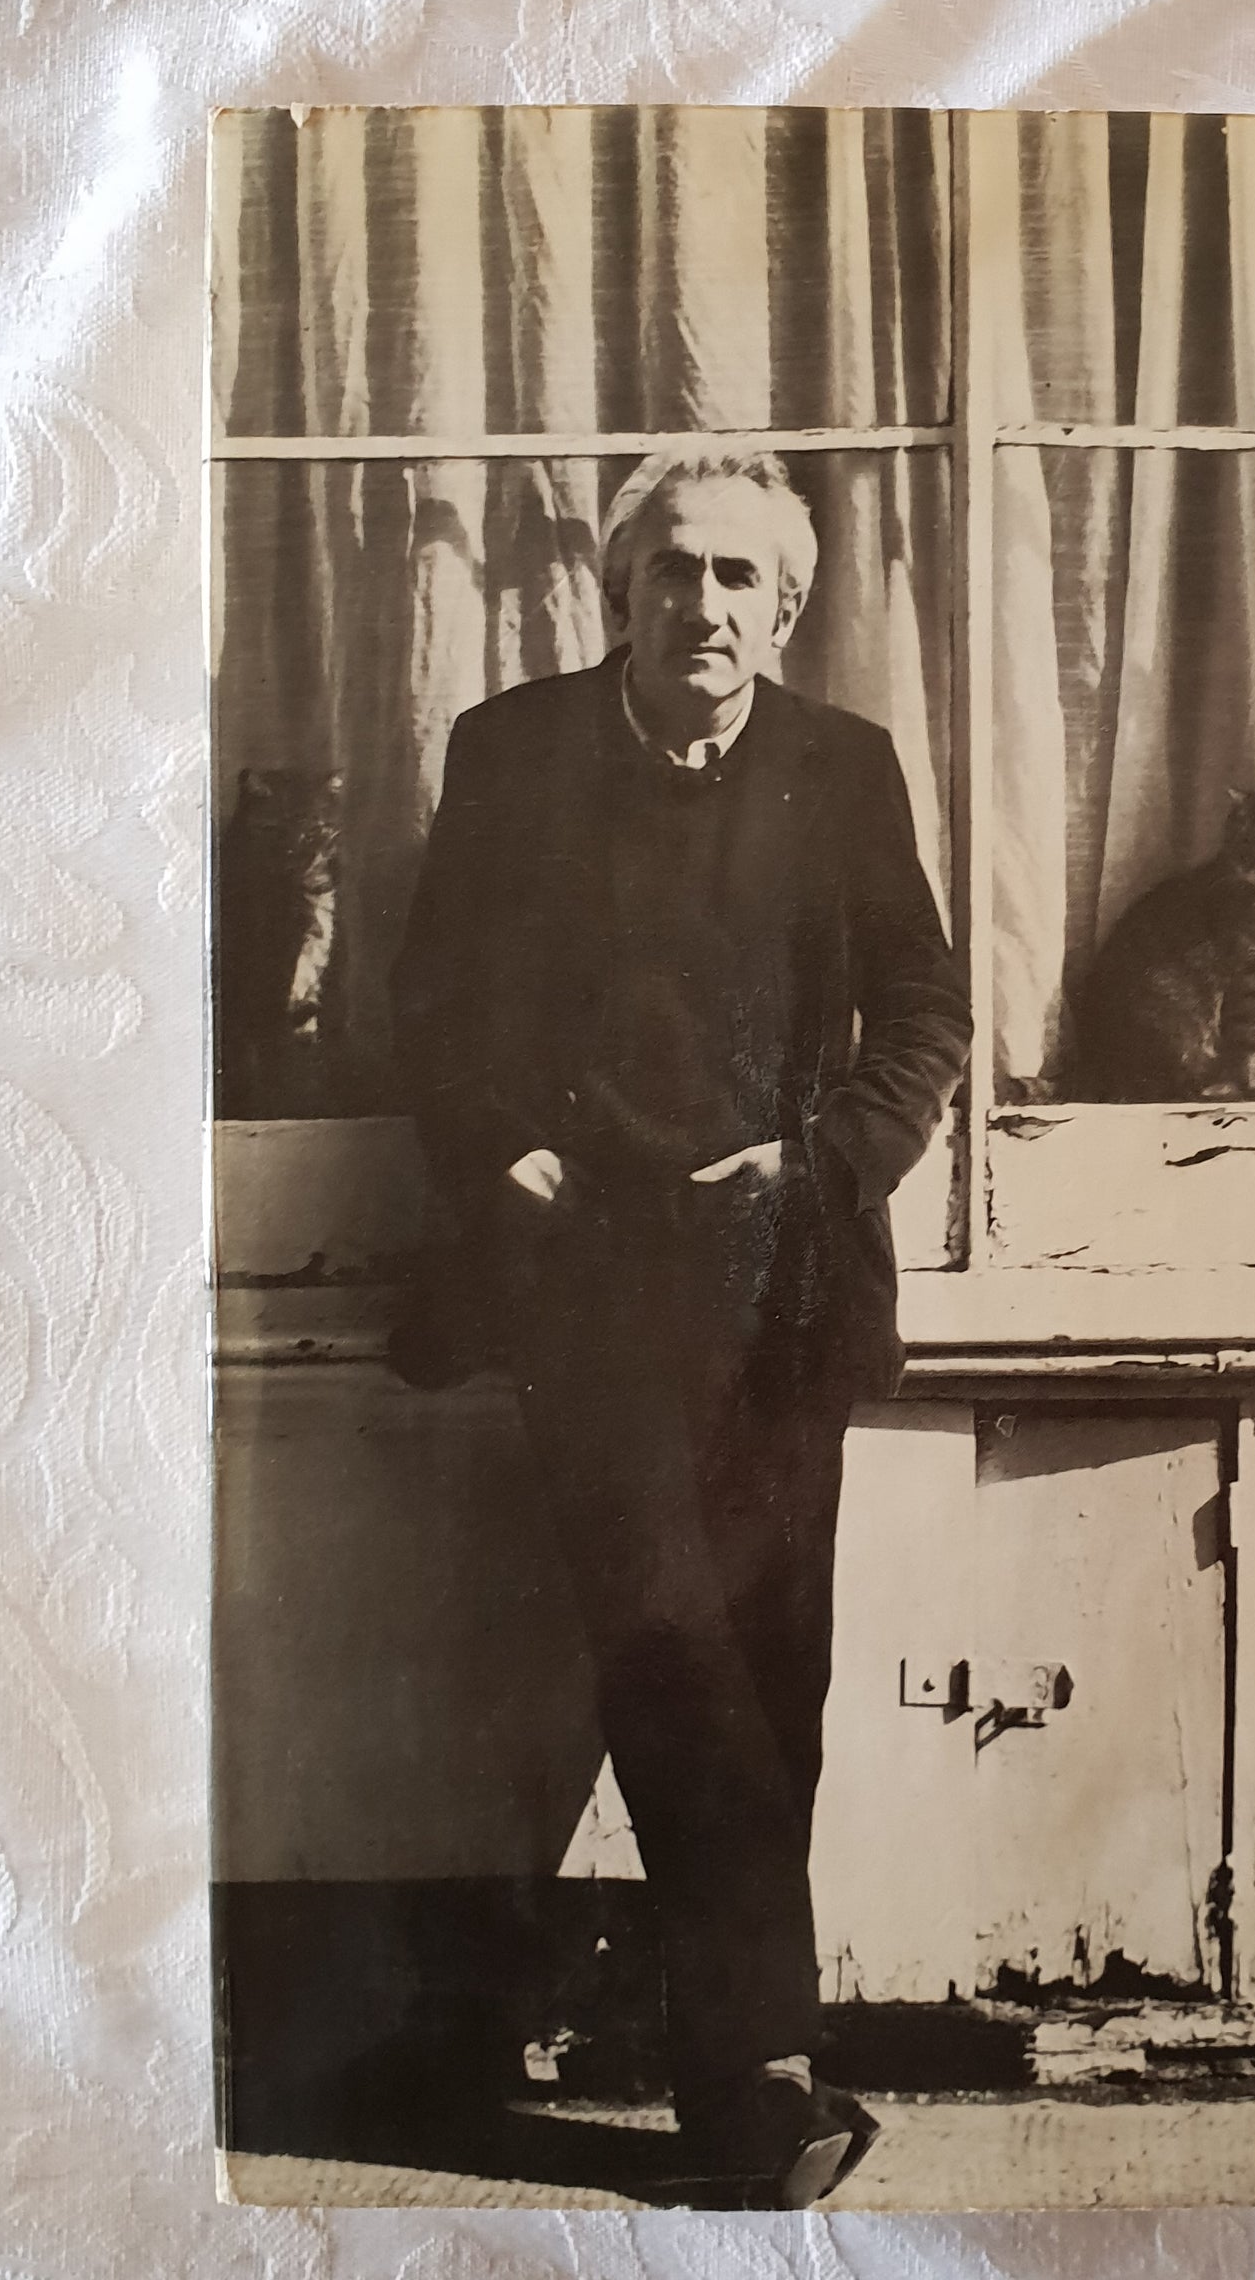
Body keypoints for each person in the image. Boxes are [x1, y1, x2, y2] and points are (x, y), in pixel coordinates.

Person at [389, 445, 971, 2206]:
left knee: (772, 1678)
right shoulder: (514, 754)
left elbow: (925, 1008)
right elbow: (431, 1000)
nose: (702, 605)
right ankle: (756, 2076)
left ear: (781, 609)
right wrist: (501, 1145)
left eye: (737, 578)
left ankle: (740, 2067)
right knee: (673, 1658)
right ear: (619, 589)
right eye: (673, 569)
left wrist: (824, 1161)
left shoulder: (841, 767)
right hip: (586, 1288)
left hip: (782, 1284)